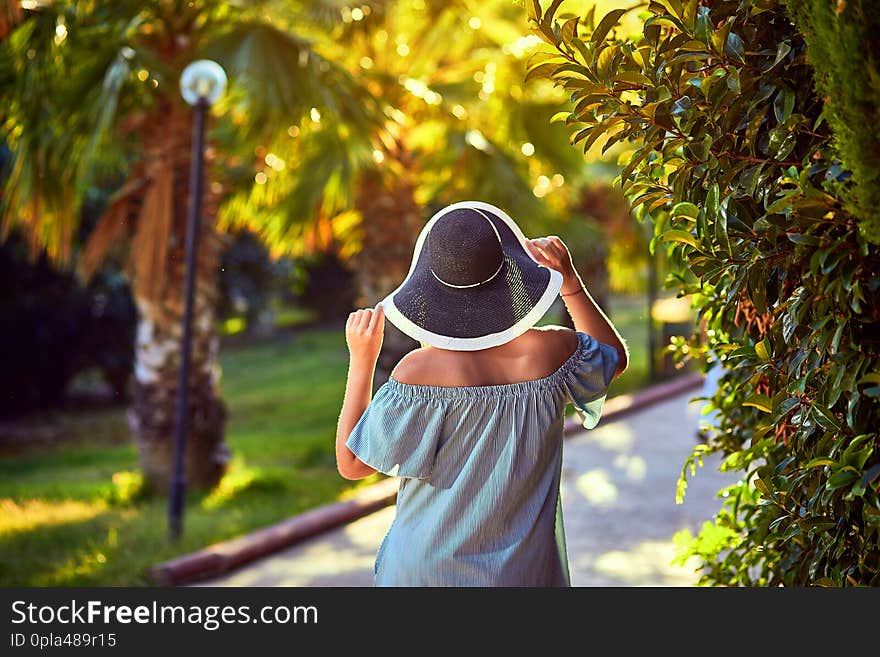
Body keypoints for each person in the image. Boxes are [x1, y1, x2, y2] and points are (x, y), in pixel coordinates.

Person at [335, 201, 628, 586]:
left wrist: (362, 361)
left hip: (426, 573)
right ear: (511, 271)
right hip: (522, 575)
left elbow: (353, 464)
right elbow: (614, 358)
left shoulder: (419, 374)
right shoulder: (552, 353)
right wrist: (570, 284)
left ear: (430, 284)